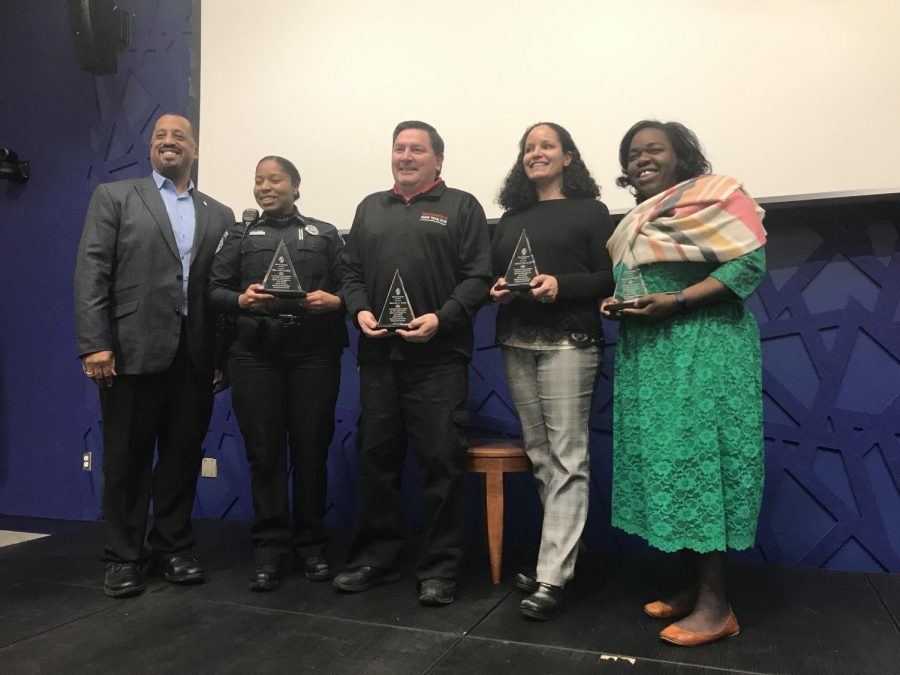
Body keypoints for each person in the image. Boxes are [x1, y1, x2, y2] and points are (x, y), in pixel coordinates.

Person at [600, 120, 767, 646]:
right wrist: (620, 303)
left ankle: (718, 608)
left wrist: (675, 302)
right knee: (671, 465)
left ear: (682, 157)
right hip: (653, 357)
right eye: (632, 154)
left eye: (654, 150)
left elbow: (749, 266)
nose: (641, 159)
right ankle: (695, 589)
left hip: (704, 350)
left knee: (699, 466)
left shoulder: (715, 197)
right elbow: (645, 279)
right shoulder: (639, 216)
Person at [74, 113, 235, 598]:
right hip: (128, 351)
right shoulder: (115, 197)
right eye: (161, 136)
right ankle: (123, 557)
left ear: (195, 150)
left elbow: (219, 289)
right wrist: (95, 343)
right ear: (150, 150)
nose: (170, 142)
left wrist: (221, 355)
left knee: (183, 457)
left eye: (179, 137)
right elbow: (92, 272)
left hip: (196, 355)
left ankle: (173, 548)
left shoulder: (219, 213)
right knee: (126, 458)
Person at [334, 120, 491, 606]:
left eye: (417, 150)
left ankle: (440, 568)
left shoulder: (461, 206)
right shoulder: (369, 207)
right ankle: (375, 560)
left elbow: (478, 276)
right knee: (376, 460)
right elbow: (350, 270)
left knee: (440, 463)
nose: (406, 156)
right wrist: (358, 308)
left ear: (437, 160)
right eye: (399, 148)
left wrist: (441, 320)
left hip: (439, 359)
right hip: (379, 359)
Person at [490, 122, 615, 620]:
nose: (535, 154)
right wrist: (498, 289)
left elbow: (611, 276)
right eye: (528, 148)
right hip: (516, 339)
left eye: (546, 146)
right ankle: (563, 560)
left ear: (568, 157)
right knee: (540, 456)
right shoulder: (511, 216)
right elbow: (498, 276)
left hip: (570, 339)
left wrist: (559, 285)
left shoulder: (592, 211)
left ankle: (552, 577)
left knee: (567, 455)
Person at [208, 156, 347, 591]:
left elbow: (352, 286)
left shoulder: (324, 233)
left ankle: (311, 546)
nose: (265, 187)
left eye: (275, 179)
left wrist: (336, 302)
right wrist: (239, 301)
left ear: (296, 186)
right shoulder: (239, 233)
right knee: (265, 453)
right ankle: (269, 549)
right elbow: (214, 289)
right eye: (258, 180)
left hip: (313, 354)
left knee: (310, 451)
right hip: (254, 354)